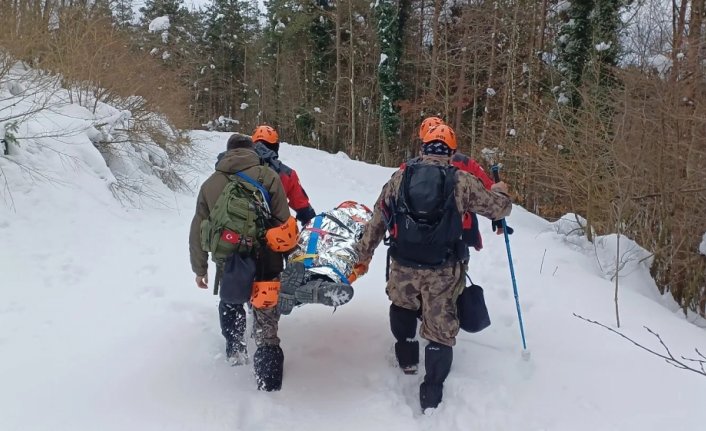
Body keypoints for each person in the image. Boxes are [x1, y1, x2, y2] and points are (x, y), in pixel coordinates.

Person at [351, 124, 512, 411]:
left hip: (402, 264)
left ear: (423, 148)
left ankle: (407, 358)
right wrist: (501, 193)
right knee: (440, 329)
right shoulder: (462, 180)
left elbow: (378, 219)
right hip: (442, 269)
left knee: (402, 305)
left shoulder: (400, 177)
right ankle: (432, 396)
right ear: (450, 152)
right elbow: (497, 209)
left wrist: (363, 254)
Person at [189, 133, 294, 391]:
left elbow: (197, 229)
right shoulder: (267, 176)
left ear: (228, 152)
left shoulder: (210, 184)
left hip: (229, 256)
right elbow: (283, 219)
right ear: (251, 151)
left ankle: (235, 348)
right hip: (265, 255)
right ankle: (267, 370)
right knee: (265, 307)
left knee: (230, 299)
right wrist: (290, 255)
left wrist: (199, 269)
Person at [416, 116, 513, 245]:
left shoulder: (409, 169)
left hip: (416, 230)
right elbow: (488, 188)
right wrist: (499, 201)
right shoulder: (464, 162)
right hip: (459, 226)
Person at [277, 201, 373, 315]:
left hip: (313, 233)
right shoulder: (366, 224)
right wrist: (349, 279)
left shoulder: (326, 215)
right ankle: (321, 284)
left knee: (305, 253)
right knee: (340, 257)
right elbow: (363, 258)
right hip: (342, 240)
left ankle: (298, 287)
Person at [251, 125, 317, 225]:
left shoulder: (234, 164)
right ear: (276, 147)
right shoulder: (287, 173)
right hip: (272, 233)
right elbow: (303, 207)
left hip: (230, 229)